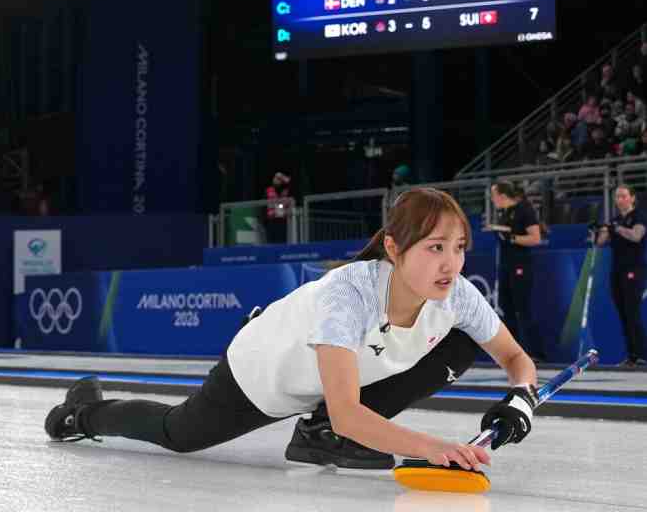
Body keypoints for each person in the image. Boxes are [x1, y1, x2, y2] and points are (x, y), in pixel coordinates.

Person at [45, 188, 539, 472]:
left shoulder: (456, 295)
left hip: (334, 385)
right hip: (262, 372)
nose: (451, 263)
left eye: (459, 247)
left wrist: (520, 399)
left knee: (462, 340)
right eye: (435, 247)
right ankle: (84, 414)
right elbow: (349, 414)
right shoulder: (348, 294)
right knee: (180, 433)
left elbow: (516, 359)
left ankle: (317, 434)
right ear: (393, 248)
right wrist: (432, 448)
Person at [489, 182, 544, 360]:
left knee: (523, 309)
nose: (492, 200)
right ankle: (514, 353)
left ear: (503, 196)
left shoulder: (524, 210)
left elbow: (535, 238)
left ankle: (535, 353)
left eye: (493, 195)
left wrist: (512, 238)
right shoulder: (503, 213)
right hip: (506, 264)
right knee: (507, 309)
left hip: (521, 265)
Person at [597, 185, 647, 367]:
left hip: (634, 269)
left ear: (632, 198)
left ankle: (642, 354)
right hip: (617, 270)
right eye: (617, 197)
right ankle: (632, 355)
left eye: (624, 196)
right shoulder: (615, 219)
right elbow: (600, 242)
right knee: (623, 313)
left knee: (632, 312)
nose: (620, 200)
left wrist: (616, 228)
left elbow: (636, 236)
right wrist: (601, 230)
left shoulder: (639, 216)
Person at [265, 172, 293, 244]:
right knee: (271, 242)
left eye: (278, 179)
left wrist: (283, 177)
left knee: (281, 241)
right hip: (271, 220)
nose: (276, 180)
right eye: (275, 178)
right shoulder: (268, 190)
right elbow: (263, 206)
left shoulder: (285, 190)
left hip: (281, 220)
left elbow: (290, 184)